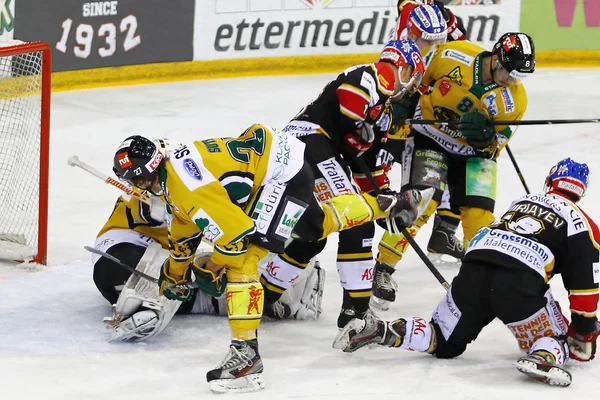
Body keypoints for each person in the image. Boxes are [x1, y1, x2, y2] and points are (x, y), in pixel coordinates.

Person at [111, 123, 428, 393]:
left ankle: (246, 356)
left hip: (280, 176)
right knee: (312, 226)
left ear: (142, 176)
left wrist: (214, 266)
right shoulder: (172, 175)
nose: (133, 186)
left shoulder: (184, 186)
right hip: (276, 160)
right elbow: (184, 223)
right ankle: (386, 203)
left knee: (244, 259)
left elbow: (234, 236)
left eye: (134, 180)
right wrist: (176, 271)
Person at [333, 158, 600, 387]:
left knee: (442, 338)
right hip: (520, 281)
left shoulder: (522, 201)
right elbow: (585, 285)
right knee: (556, 338)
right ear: (580, 192)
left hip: (475, 266)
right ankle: (543, 356)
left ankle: (379, 329)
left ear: (551, 180)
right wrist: (583, 328)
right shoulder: (583, 223)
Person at [256, 39, 428, 329]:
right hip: (309, 143)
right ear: (405, 66)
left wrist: (383, 200)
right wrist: (359, 126)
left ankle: (264, 295)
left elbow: (367, 169)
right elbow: (351, 99)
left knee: (312, 234)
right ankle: (356, 312)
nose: (409, 86)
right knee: (356, 220)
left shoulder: (383, 113)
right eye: (411, 76)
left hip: (306, 153)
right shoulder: (374, 75)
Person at [370, 31, 536, 310]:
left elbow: (493, 148)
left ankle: (486, 280)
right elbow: (414, 79)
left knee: (480, 219)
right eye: (509, 71)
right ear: (496, 57)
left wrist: (484, 138)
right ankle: (383, 270)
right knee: (419, 202)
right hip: (429, 136)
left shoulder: (515, 100)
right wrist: (400, 102)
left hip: (473, 156)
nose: (512, 79)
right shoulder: (453, 54)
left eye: (518, 75)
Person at [92, 180, 325, 344]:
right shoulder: (143, 184)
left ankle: (192, 299)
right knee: (129, 274)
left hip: (163, 248)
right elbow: (148, 210)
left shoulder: (192, 181)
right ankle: (151, 298)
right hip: (121, 247)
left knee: (222, 262)